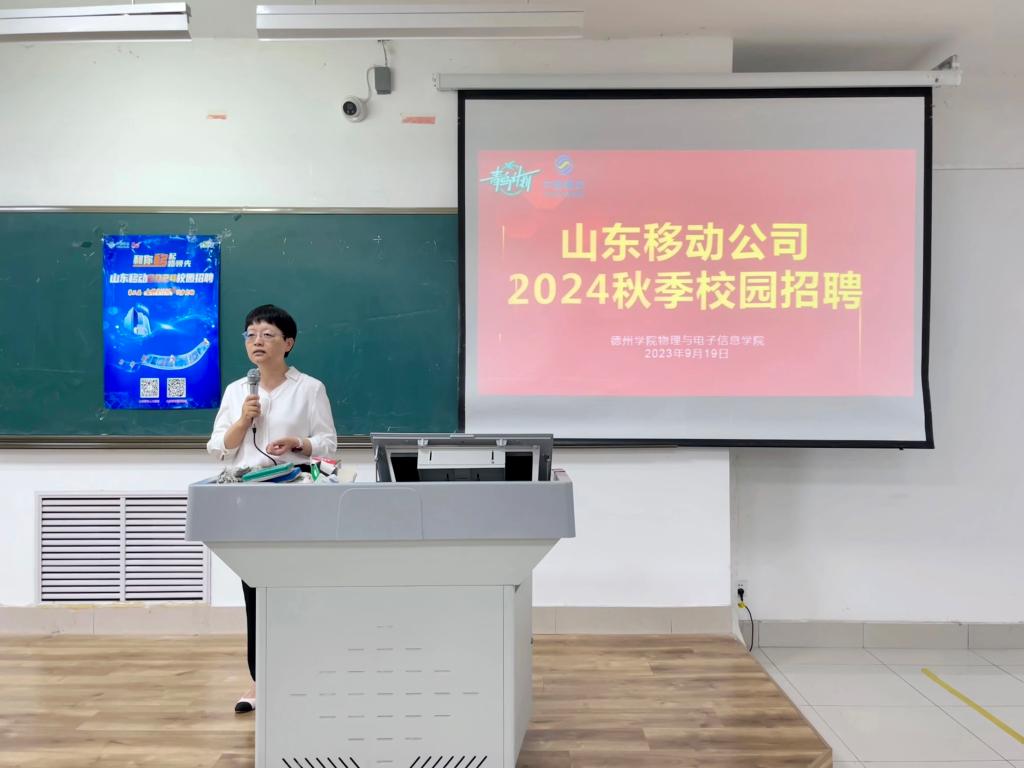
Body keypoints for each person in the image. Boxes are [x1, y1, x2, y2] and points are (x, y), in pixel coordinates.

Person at [207, 304, 337, 713]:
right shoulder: (237, 391)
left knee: (297, 587)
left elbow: (329, 444)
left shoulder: (309, 389)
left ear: (288, 343)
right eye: (250, 334)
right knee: (255, 589)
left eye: (267, 334)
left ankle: (305, 673)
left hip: (294, 498)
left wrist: (299, 443)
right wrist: (242, 422)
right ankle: (259, 680)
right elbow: (218, 449)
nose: (257, 341)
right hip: (248, 500)